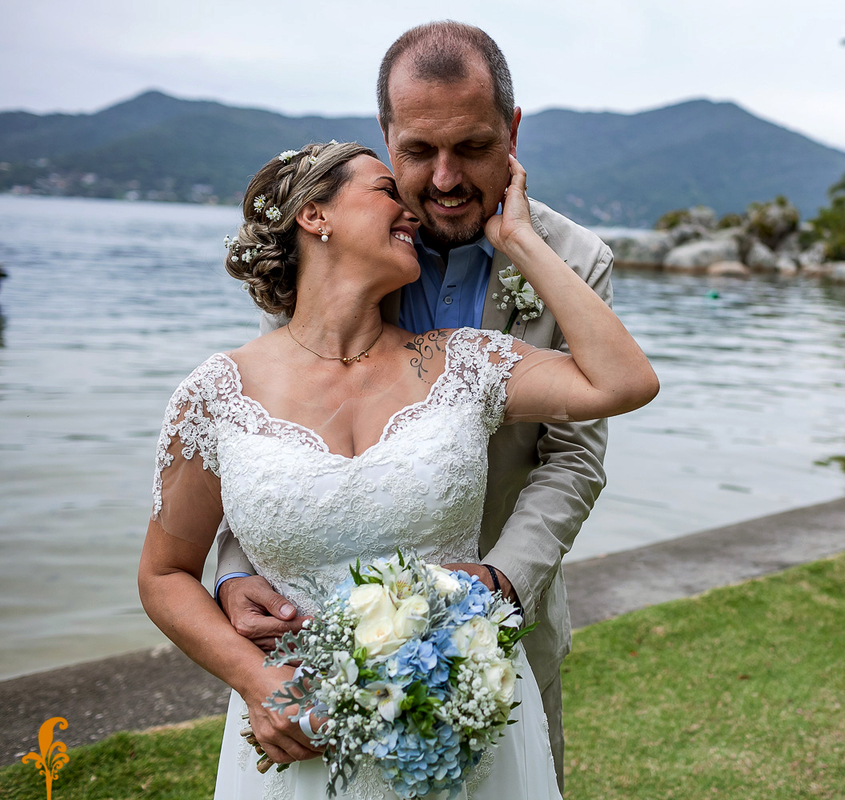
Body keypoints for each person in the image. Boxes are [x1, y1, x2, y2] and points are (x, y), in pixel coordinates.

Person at [138, 141, 657, 798]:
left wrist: (519, 240)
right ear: (314, 215)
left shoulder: (464, 363)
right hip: (303, 730)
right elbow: (164, 574)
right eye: (387, 192)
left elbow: (625, 382)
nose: (411, 209)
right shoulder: (216, 393)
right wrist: (253, 678)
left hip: (463, 720)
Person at [213, 24, 613, 787]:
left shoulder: (576, 259)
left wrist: (498, 584)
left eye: (473, 147)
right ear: (386, 134)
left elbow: (574, 459)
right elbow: (265, 434)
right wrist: (234, 577)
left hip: (498, 633)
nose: (446, 179)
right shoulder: (335, 250)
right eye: (420, 151)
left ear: (513, 131)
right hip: (316, 641)